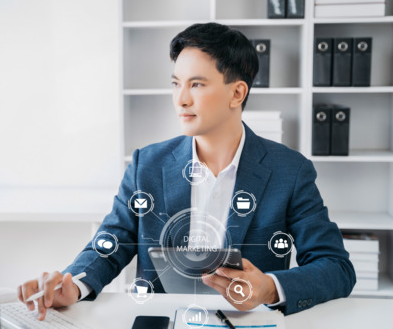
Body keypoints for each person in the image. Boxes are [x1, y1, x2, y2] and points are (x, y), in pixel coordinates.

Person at [18, 23, 356, 320]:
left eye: (196, 85)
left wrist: (270, 288)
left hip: (245, 322)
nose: (181, 99)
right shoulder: (146, 165)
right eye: (176, 83)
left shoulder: (289, 171)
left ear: (237, 93)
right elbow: (111, 244)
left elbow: (336, 267)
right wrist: (73, 285)